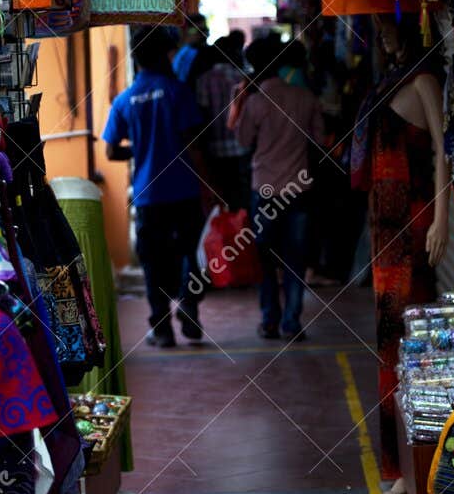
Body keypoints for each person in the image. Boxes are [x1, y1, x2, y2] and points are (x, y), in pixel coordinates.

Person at [350, 14, 449, 494]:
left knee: (407, 340)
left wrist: (442, 216)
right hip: (385, 229)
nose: (384, 39)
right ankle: (396, 460)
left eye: (389, 30)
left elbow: (443, 151)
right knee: (389, 337)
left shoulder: (424, 80)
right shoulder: (390, 82)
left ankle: (409, 459)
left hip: (411, 223)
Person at [103, 26, 206, 348]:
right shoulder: (177, 91)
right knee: (190, 252)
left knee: (153, 262)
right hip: (185, 189)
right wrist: (212, 185)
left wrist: (141, 148)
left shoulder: (124, 100)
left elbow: (110, 151)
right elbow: (193, 143)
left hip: (148, 194)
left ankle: (161, 328)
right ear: (163, 55)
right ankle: (189, 305)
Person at [230, 39, 324, 341]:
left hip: (265, 191)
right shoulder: (305, 97)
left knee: (266, 259)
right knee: (296, 259)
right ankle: (292, 322)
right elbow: (320, 139)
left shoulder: (255, 101)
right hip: (299, 188)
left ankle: (270, 319)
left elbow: (243, 141)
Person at [195, 32, 251, 212]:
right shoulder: (244, 79)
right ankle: (244, 233)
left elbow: (202, 118)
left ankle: (226, 236)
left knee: (221, 199)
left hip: (215, 150)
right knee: (242, 199)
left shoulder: (204, 81)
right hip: (242, 148)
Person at [171, 13, 209, 84]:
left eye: (206, 29)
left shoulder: (201, 53)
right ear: (185, 31)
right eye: (200, 30)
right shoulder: (185, 53)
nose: (206, 34)